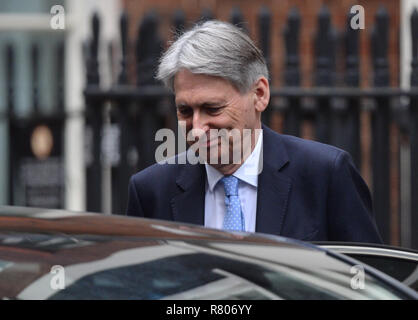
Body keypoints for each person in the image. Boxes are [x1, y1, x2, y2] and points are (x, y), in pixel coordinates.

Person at [126, 20, 382, 243]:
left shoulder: (325, 175)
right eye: (184, 111)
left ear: (259, 94)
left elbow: (369, 285)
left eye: (212, 109)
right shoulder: (151, 191)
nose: (198, 128)